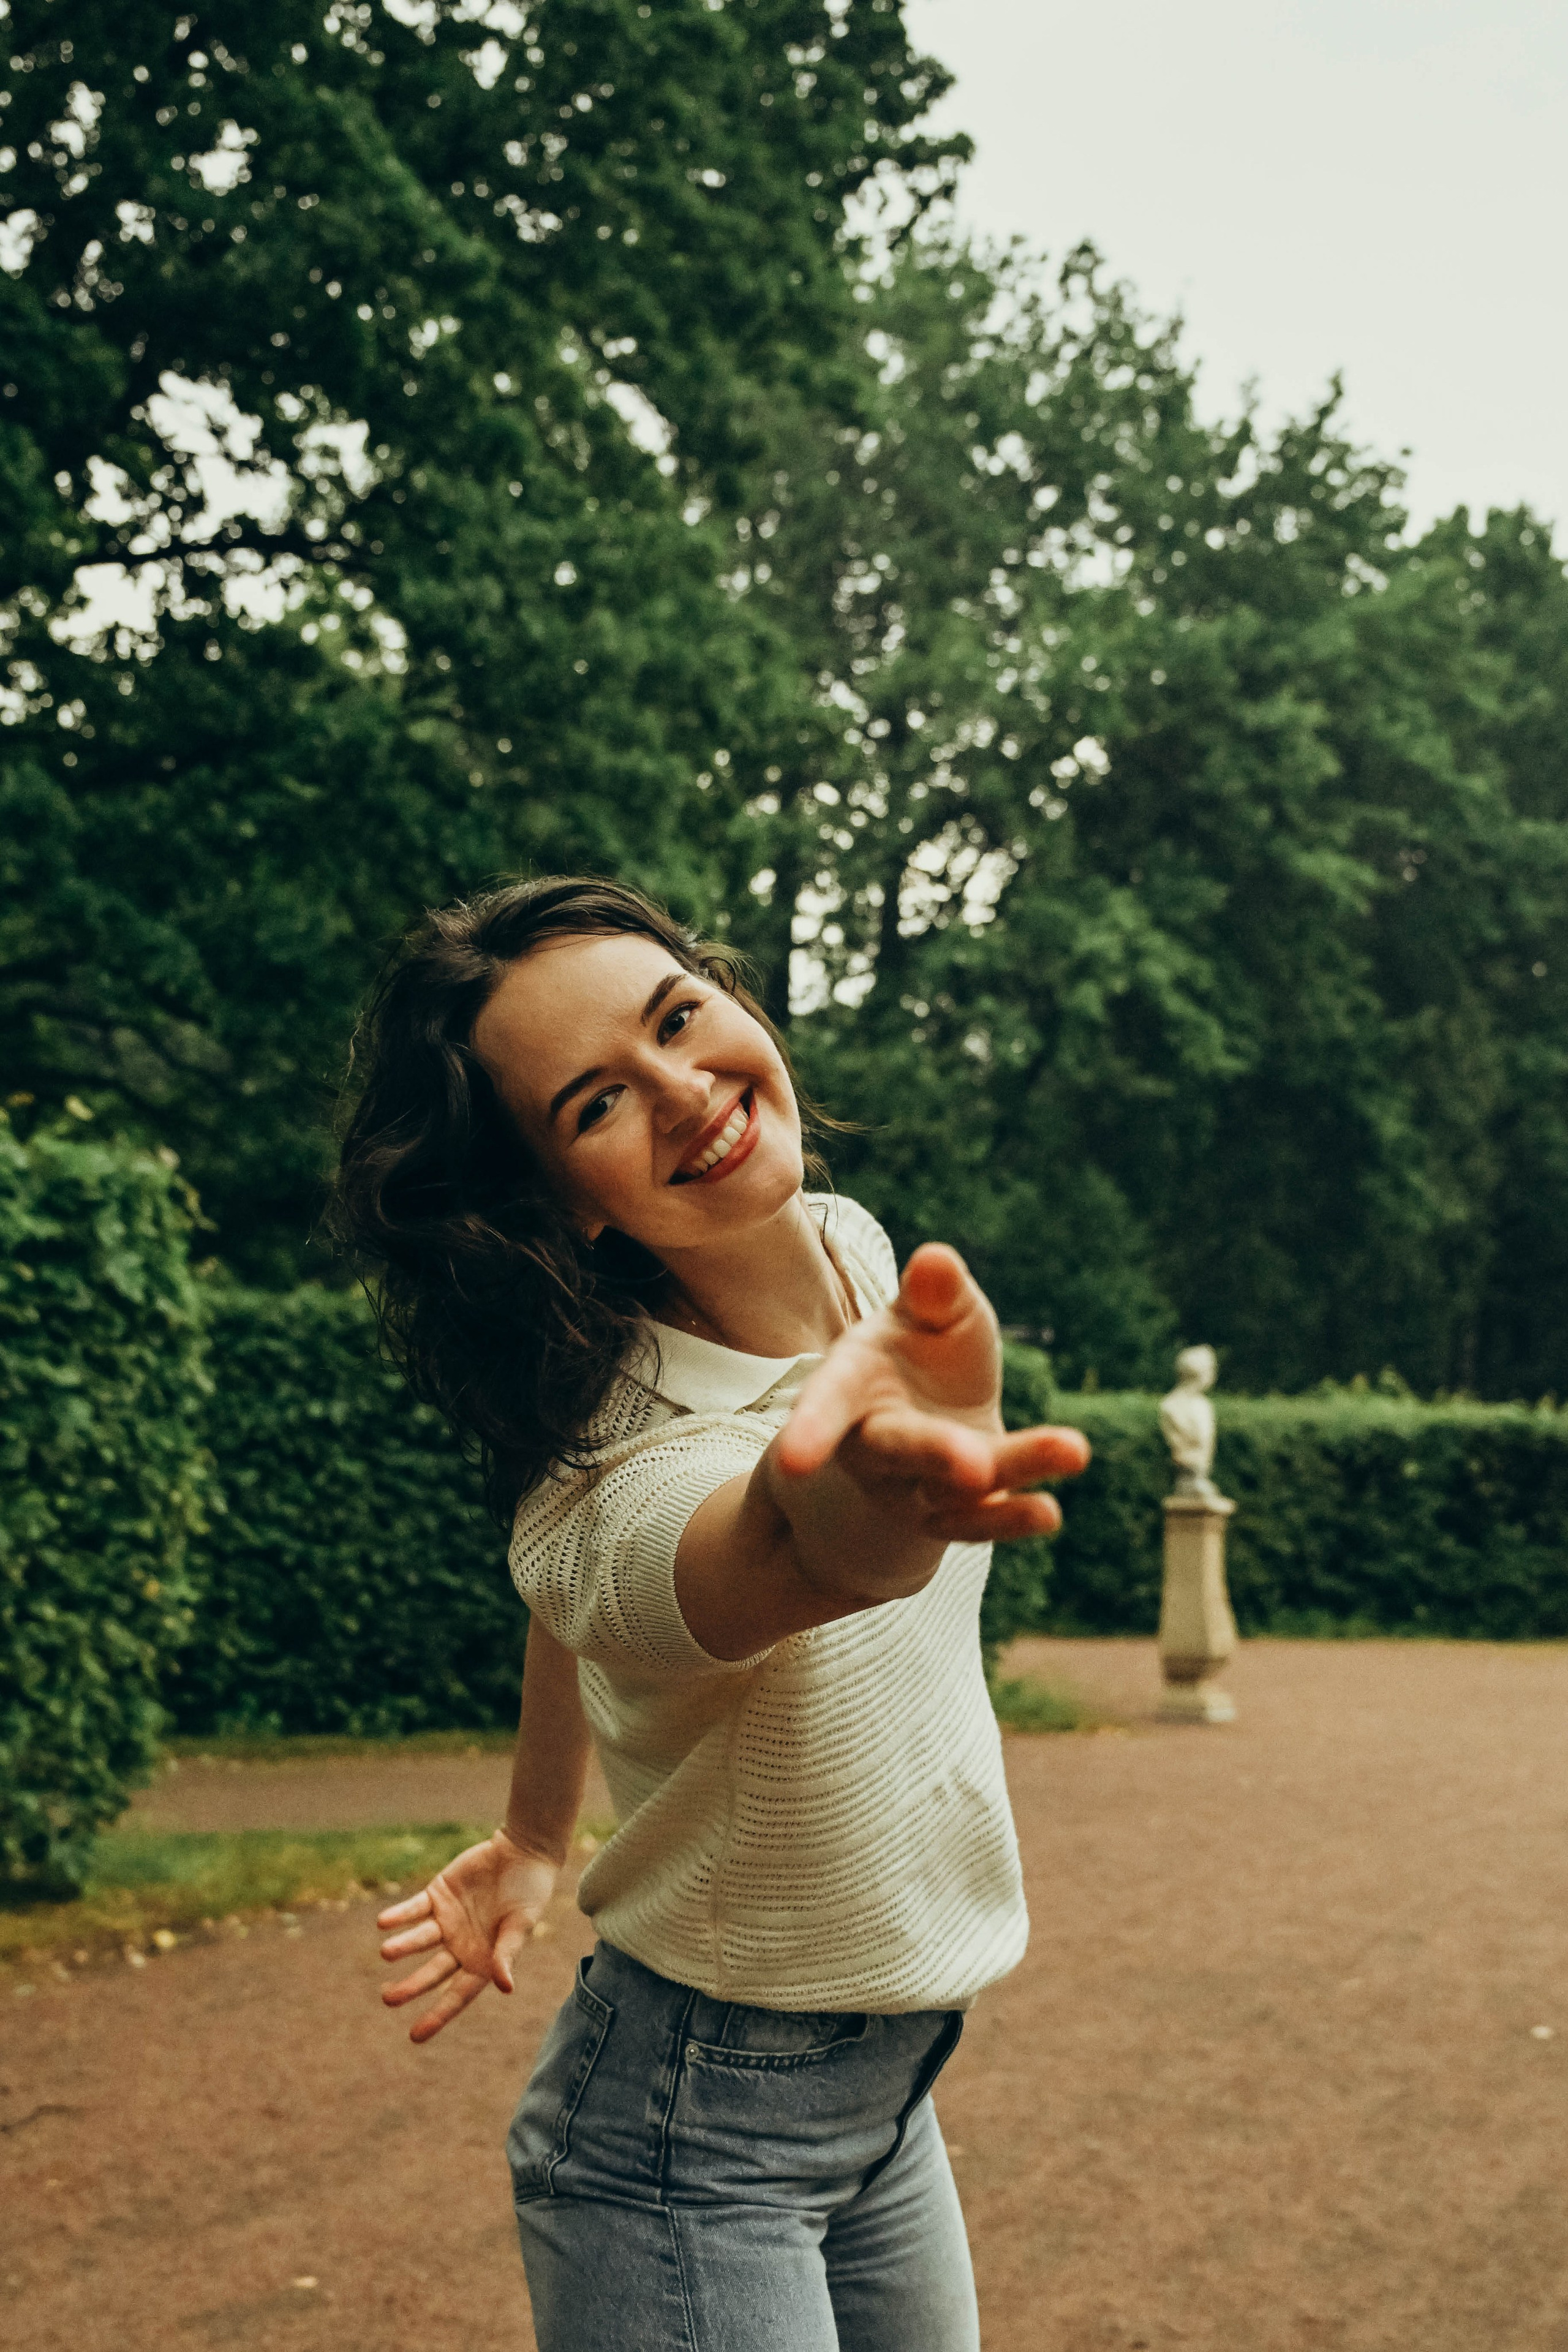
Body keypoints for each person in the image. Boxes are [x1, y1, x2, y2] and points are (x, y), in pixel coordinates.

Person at [330, 876, 1089, 2352]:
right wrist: (855, 1512)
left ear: (729, 992)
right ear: (555, 1201)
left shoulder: (857, 1249)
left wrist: (538, 1834)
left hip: (883, 2096)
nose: (684, 1093)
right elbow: (762, 1562)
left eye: (679, 1018)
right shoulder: (617, 1473)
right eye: (595, 1103)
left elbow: (572, 1637)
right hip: (686, 2151)